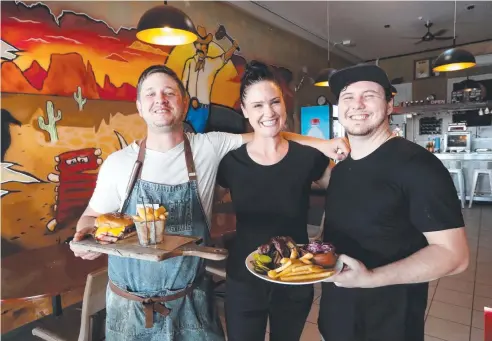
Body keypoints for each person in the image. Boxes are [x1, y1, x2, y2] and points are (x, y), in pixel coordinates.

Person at [70, 64, 349, 341]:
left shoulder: (210, 147)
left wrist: (320, 145)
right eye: (151, 94)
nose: (161, 100)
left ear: (182, 102)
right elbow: (90, 219)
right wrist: (85, 239)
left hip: (191, 302)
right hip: (129, 307)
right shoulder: (118, 163)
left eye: (169, 92)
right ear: (140, 107)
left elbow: (267, 132)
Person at [317, 64, 470, 341]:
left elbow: (454, 256)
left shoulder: (418, 166)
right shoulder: (340, 170)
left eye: (369, 95)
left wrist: (371, 277)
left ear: (389, 105)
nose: (357, 104)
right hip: (336, 319)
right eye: (347, 97)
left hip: (389, 326)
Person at [216, 61, 334, 341]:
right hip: (244, 279)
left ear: (284, 104)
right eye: (257, 105)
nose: (268, 112)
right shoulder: (231, 162)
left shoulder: (308, 157)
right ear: (244, 110)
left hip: (295, 277)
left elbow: (345, 190)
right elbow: (210, 204)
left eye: (274, 102)